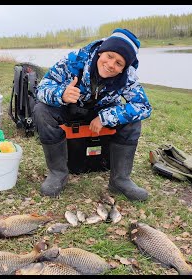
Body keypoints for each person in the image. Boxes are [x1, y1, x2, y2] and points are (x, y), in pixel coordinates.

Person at [33, 28, 152, 200]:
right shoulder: (74, 60)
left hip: (101, 113)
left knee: (133, 121)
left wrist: (106, 117)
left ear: (123, 68)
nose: (111, 64)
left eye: (119, 63)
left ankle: (120, 180)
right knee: (41, 111)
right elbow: (42, 89)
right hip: (69, 108)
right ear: (101, 51)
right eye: (110, 56)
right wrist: (61, 94)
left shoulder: (128, 76)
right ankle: (58, 174)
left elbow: (143, 106)